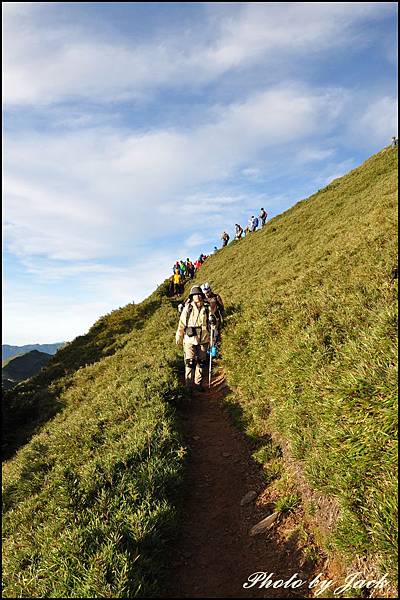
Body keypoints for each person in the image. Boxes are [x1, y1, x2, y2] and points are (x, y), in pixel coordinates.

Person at [175, 285, 212, 393]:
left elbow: (211, 320)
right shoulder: (188, 308)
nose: (197, 296)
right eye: (195, 295)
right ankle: (189, 387)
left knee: (201, 362)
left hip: (203, 338)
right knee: (190, 362)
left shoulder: (207, 307)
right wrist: (179, 335)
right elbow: (181, 323)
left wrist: (213, 321)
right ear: (192, 296)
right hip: (189, 339)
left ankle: (198, 384)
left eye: (199, 294)